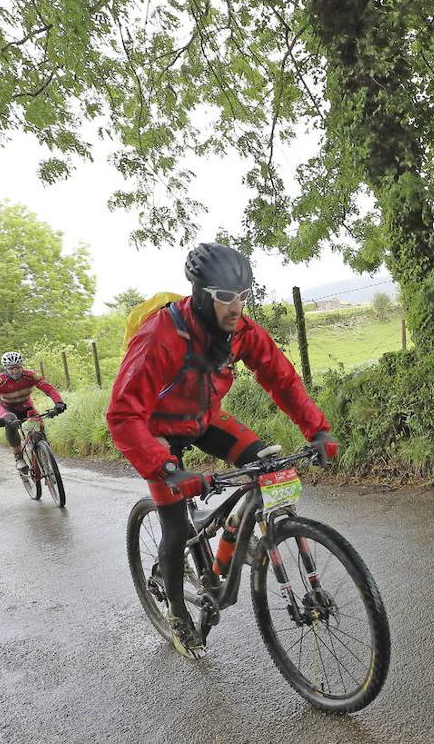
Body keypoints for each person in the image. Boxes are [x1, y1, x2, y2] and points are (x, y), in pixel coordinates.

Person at [106, 242, 338, 658]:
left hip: (205, 419)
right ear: (200, 294)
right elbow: (123, 415)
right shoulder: (160, 336)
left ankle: (243, 537)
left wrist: (317, 430)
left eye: (244, 296)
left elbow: (281, 377)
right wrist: (165, 468)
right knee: (175, 527)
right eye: (226, 297)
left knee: (268, 466)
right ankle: (178, 615)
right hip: (158, 434)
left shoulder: (241, 331)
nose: (237, 307)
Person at [0, 352, 66, 473]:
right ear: (5, 369)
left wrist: (59, 403)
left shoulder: (31, 375)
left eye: (17, 367)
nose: (15, 371)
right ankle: (18, 458)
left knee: (37, 423)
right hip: (6, 407)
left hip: (25, 405)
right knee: (10, 421)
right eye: (11, 368)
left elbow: (48, 388)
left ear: (22, 366)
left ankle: (43, 450)